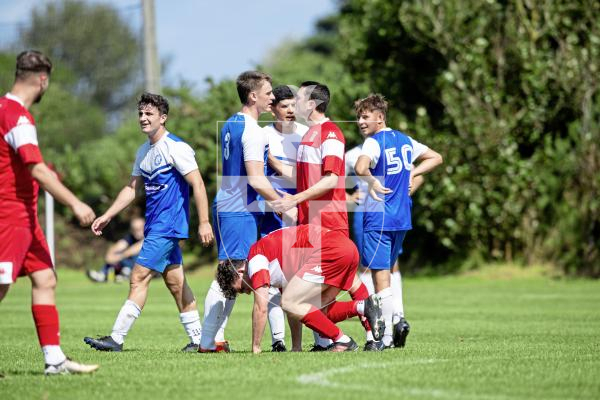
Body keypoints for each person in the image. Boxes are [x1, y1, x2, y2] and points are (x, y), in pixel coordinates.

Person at [83, 93, 214, 352]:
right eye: (140, 114)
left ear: (163, 118)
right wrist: (107, 215)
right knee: (177, 284)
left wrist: (204, 222)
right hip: (155, 226)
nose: (143, 118)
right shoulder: (143, 151)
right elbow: (131, 189)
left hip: (169, 225)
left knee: (138, 276)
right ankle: (201, 341)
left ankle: (116, 338)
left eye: (149, 114)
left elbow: (197, 184)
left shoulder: (176, 147)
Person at [0, 50, 99, 375]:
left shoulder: (6, 109)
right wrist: (75, 202)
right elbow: (37, 169)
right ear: (42, 79)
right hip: (10, 215)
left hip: (25, 217)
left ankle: (54, 360)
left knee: (45, 278)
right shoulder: (17, 115)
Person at [271, 81, 377, 351]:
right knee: (320, 304)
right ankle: (358, 330)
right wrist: (271, 162)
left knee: (337, 288)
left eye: (300, 98)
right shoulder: (309, 135)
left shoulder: (330, 134)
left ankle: (368, 337)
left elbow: (331, 180)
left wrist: (295, 199)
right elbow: (304, 178)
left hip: (328, 223)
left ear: (312, 104)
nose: (294, 103)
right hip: (310, 225)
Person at [201, 71, 295, 352]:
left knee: (232, 273)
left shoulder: (232, 123)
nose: (273, 98)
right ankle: (207, 341)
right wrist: (284, 201)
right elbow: (255, 179)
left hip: (228, 204)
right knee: (232, 276)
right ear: (253, 96)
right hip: (239, 209)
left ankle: (214, 340)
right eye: (268, 93)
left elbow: (260, 163)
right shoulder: (254, 131)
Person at [354, 93, 443, 348]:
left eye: (365, 116)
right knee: (389, 275)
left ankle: (386, 337)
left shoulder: (373, 142)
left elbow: (361, 168)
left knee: (379, 277)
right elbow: (436, 157)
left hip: (379, 217)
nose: (360, 121)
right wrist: (413, 172)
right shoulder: (405, 140)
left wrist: (371, 181)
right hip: (402, 217)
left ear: (380, 118)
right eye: (358, 117)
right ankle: (397, 323)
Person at [216, 224, 384, 353]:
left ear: (239, 272)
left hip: (329, 249)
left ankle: (343, 340)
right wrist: (297, 346)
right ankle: (371, 333)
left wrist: (256, 347)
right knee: (317, 311)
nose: (245, 292)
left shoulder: (255, 259)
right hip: (344, 246)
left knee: (289, 302)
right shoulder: (273, 262)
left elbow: (261, 308)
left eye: (239, 289)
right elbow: (293, 311)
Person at [86, 216, 145, 283]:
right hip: (125, 262)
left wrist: (119, 257)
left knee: (136, 256)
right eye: (135, 229)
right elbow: (117, 247)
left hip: (145, 266)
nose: (137, 231)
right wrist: (110, 255)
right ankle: (102, 274)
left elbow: (135, 249)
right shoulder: (130, 237)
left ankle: (125, 273)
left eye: (140, 229)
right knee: (119, 257)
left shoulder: (150, 236)